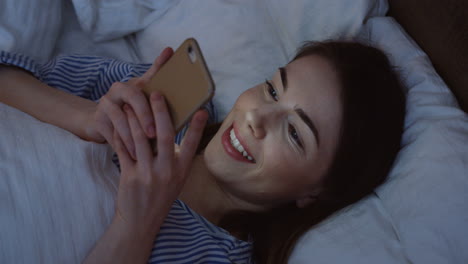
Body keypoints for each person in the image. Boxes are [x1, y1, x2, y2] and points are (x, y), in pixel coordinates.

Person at [0, 40, 405, 264]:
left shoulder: (218, 256)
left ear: (313, 194)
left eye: (296, 134)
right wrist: (87, 117)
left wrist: (136, 224)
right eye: (272, 89)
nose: (256, 118)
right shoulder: (159, 100)